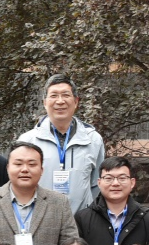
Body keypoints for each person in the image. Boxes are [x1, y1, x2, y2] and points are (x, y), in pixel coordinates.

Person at [17, 74, 106, 213]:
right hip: (39, 220)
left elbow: (96, 184)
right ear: (45, 102)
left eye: (65, 95)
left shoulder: (93, 140)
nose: (60, 101)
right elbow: (19, 185)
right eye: (54, 96)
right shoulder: (27, 141)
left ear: (76, 101)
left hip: (80, 221)